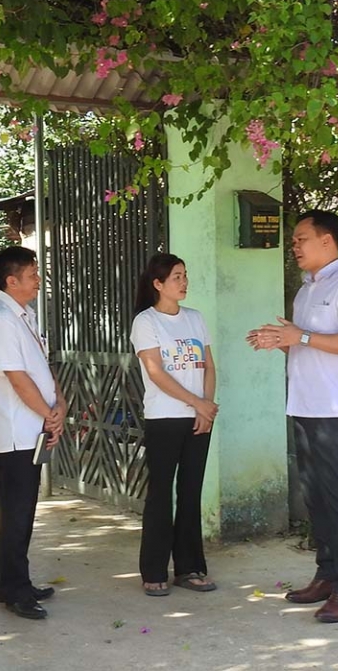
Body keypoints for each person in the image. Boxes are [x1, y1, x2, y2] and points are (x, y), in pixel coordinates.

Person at [246, 210, 338, 624]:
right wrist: (280, 340)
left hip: (336, 408)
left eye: (302, 239)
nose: (295, 246)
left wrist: (298, 335)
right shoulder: (305, 291)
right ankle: (327, 574)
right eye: (294, 240)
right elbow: (309, 345)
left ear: (327, 242)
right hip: (303, 403)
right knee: (315, 496)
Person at [0, 245, 67, 619]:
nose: (38, 281)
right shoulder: (0, 319)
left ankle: (15, 582)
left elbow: (40, 369)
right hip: (15, 433)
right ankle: (15, 591)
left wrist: (58, 405)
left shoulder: (23, 315)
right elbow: (16, 377)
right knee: (15, 514)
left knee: (23, 512)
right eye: (32, 275)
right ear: (10, 280)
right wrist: (49, 413)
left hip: (33, 427)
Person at [129, 253, 218, 596]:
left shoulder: (195, 319)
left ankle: (190, 567)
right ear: (158, 284)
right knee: (161, 495)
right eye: (176, 277)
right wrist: (197, 402)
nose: (184, 282)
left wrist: (205, 407)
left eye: (185, 275)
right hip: (165, 418)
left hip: (198, 417)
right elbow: (155, 371)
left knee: (191, 492)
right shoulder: (146, 322)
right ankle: (154, 570)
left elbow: (208, 366)